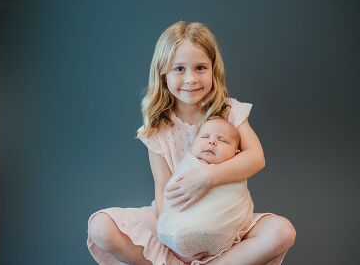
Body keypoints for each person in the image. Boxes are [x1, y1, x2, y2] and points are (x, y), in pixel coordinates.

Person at [87, 21, 295, 265]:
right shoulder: (158, 128)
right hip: (177, 217)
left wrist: (207, 178)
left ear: (213, 70)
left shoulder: (228, 111)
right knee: (101, 228)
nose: (190, 79)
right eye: (179, 69)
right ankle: (175, 262)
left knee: (282, 231)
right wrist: (171, 237)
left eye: (200, 68)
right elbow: (163, 187)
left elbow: (256, 158)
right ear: (163, 73)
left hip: (224, 219)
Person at [157, 118, 253, 262]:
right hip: (181, 230)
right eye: (205, 137)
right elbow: (169, 194)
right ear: (193, 144)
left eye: (223, 141)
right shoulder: (188, 164)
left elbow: (235, 200)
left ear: (236, 152)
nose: (212, 141)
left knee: (281, 232)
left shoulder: (234, 170)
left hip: (218, 228)